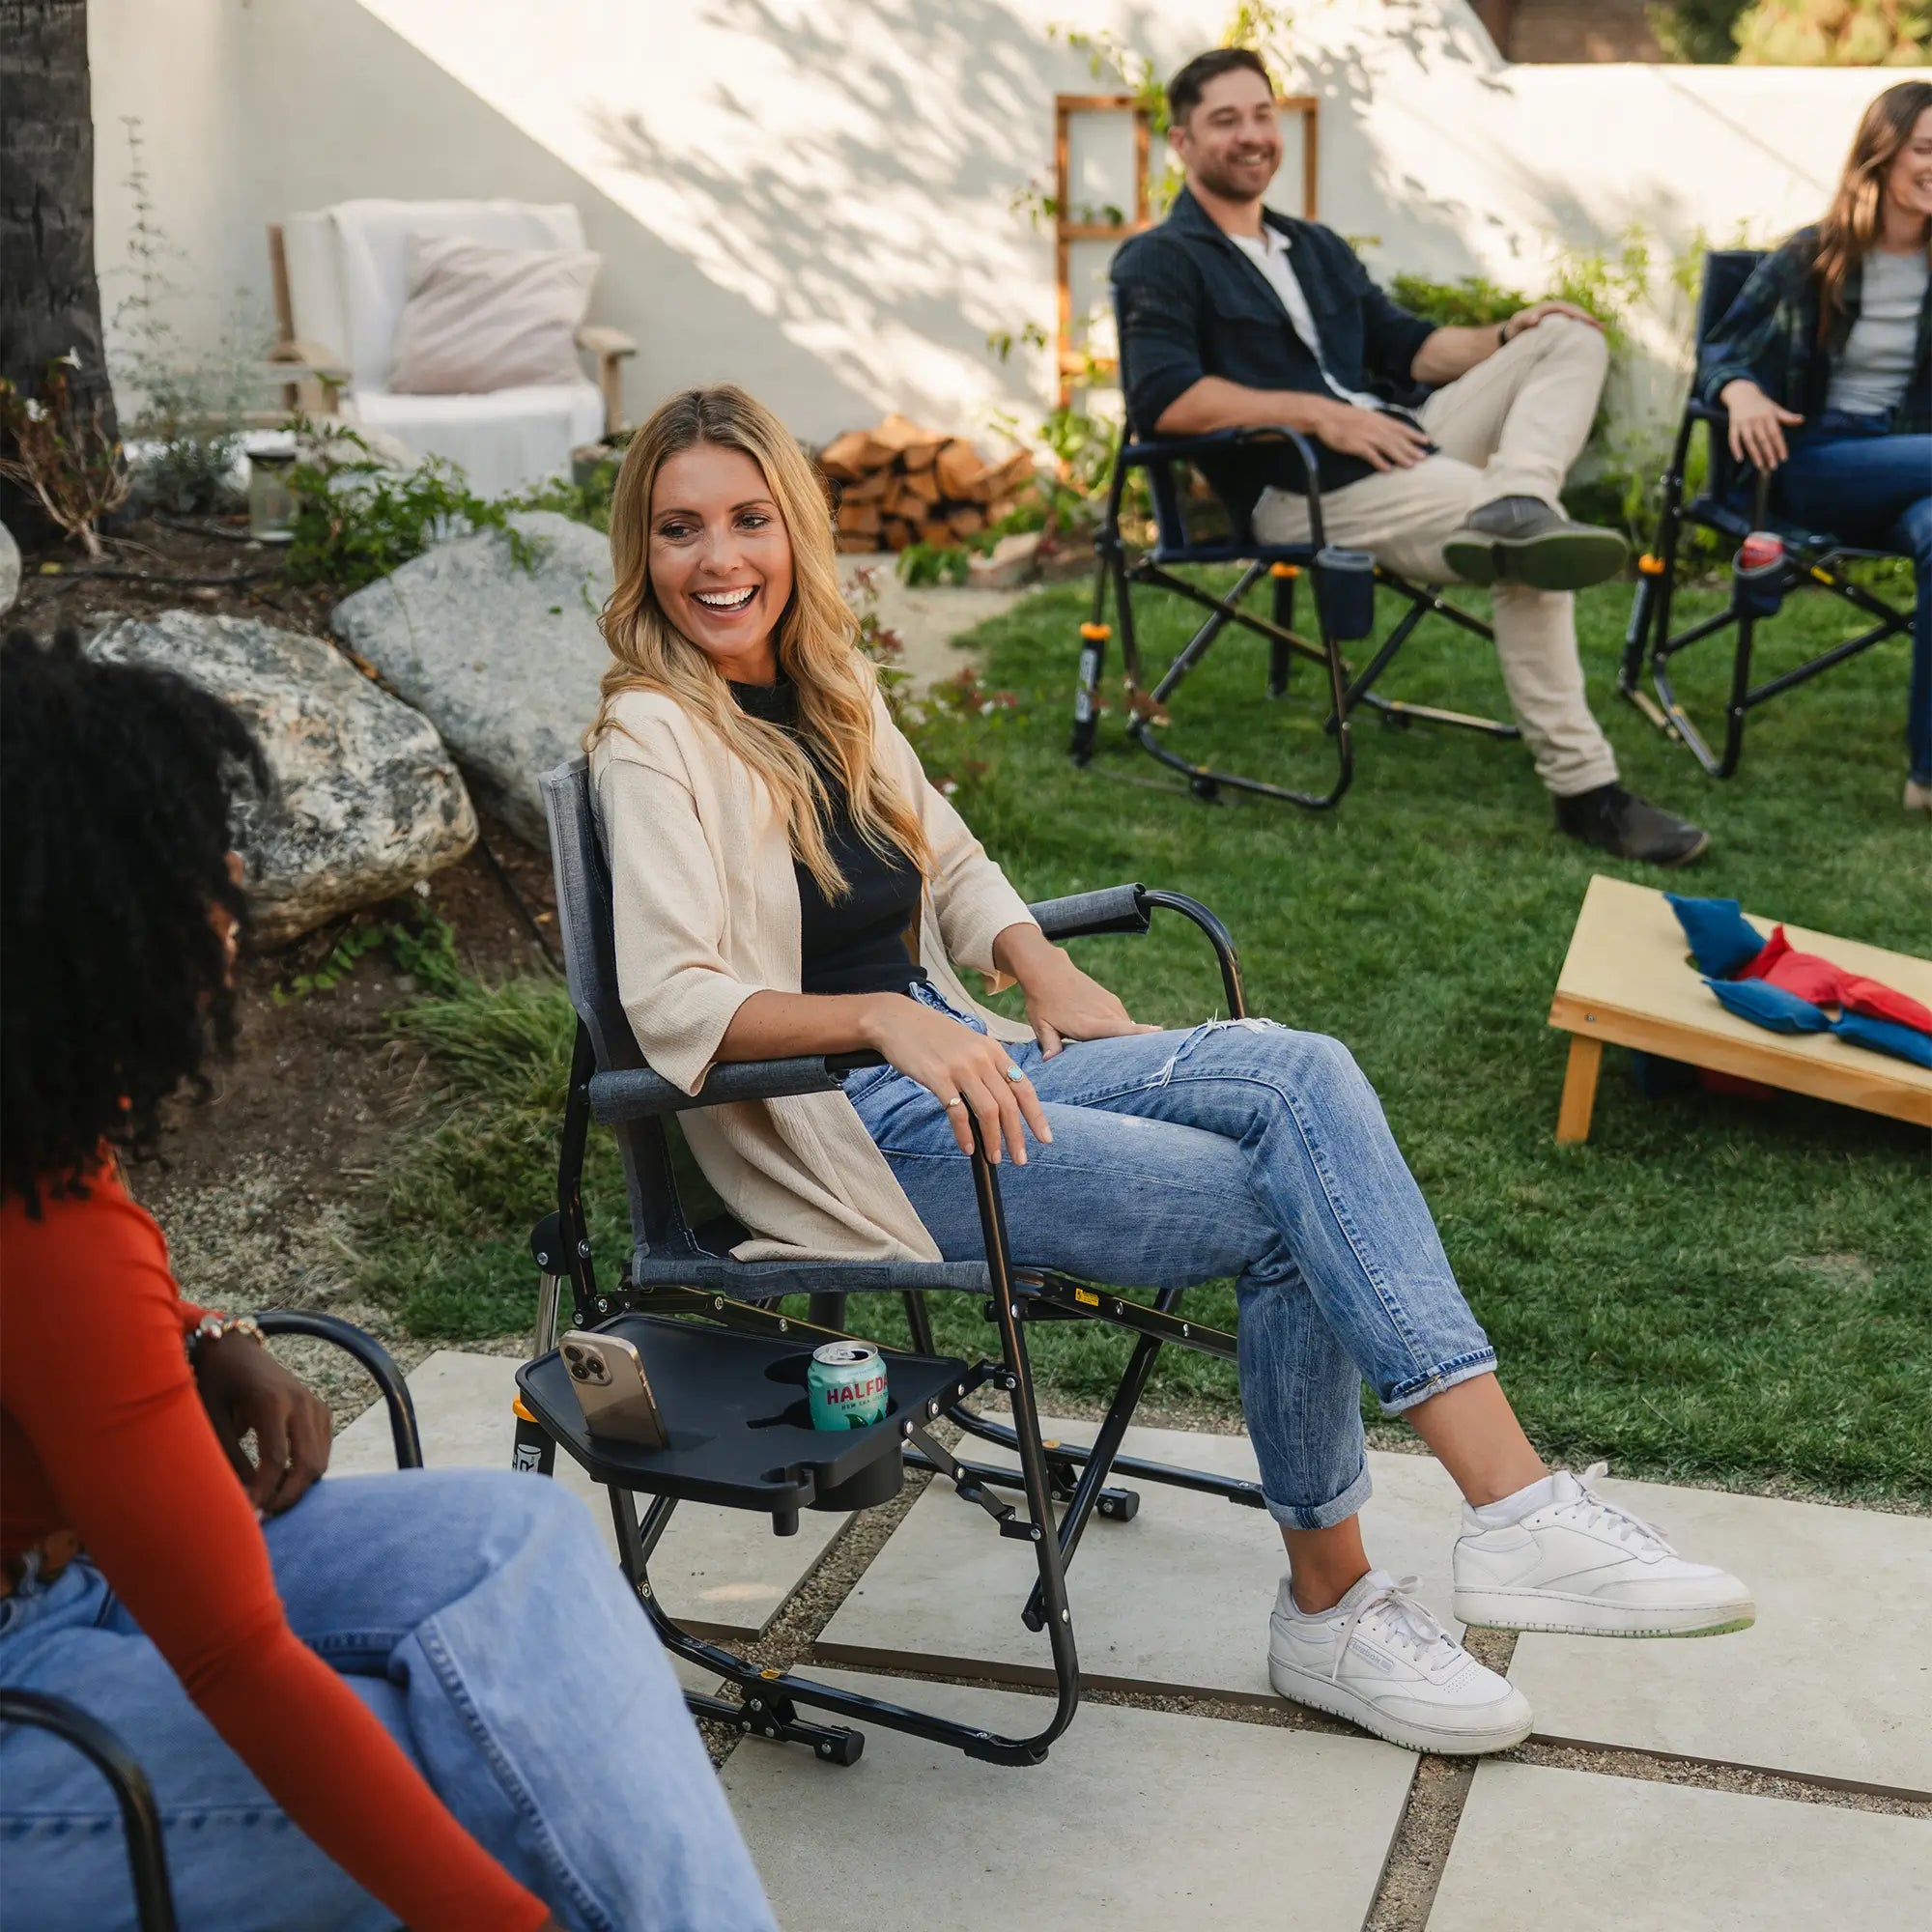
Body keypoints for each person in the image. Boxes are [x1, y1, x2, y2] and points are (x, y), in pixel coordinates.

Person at [584, 383, 1754, 1760]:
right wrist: (883, 1023)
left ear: (797, 530)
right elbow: (674, 1007)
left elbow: (951, 863)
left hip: (975, 1076)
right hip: (856, 1141)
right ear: (640, 554)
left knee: (1294, 1074)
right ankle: (1367, 1585)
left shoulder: (824, 693)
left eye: (747, 519)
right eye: (679, 530)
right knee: (1288, 1210)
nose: (719, 560)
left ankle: (1497, 1522)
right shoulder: (651, 733)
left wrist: (1039, 965)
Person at [0, 630, 777, 1932]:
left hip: (69, 1591)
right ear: (79, 916)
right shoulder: (46, 1222)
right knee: (443, 1762)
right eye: (190, 859)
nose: (234, 884)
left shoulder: (37, 1126)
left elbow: (62, 1333)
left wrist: (203, 1331)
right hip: (31, 1694)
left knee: (514, 1543)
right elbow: (237, 1663)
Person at [1111, 46, 1709, 867]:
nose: (1251, 135)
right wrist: (1319, 415)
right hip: (1298, 487)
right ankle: (1586, 790)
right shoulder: (1159, 259)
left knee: (1566, 335)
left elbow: (1410, 347)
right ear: (1182, 143)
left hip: (1403, 443)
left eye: (1261, 114)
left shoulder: (1312, 247)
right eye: (1226, 120)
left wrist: (1507, 333)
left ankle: (1521, 495)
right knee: (1528, 553)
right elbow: (1164, 397)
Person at [1698, 78, 1932, 812]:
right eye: (1926, 149)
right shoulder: (1812, 257)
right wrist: (1738, 390)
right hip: (1814, 462)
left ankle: (1927, 777)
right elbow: (1721, 351)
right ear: (1881, 158)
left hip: (1911, 463)